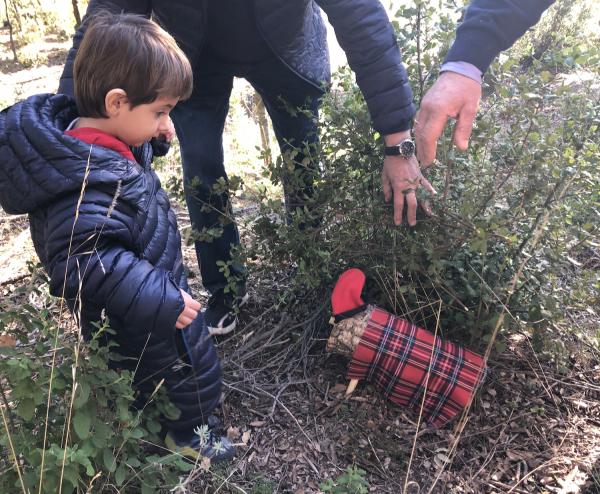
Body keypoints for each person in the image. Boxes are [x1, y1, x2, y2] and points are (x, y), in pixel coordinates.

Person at [58, 0, 554, 336]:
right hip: (190, 57)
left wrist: (398, 143)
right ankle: (225, 293)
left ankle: (313, 270)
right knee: (202, 166)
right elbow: (108, 15)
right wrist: (66, 121)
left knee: (302, 159)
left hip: (284, 51)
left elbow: (363, 24)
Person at [0, 13, 234, 462]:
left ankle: (179, 421)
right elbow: (84, 261)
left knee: (181, 363)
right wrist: (158, 297)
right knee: (172, 371)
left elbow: (127, 158)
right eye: (160, 112)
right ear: (116, 102)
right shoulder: (81, 184)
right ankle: (187, 439)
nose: (166, 121)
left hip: (150, 290)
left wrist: (154, 136)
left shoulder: (96, 142)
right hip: (138, 315)